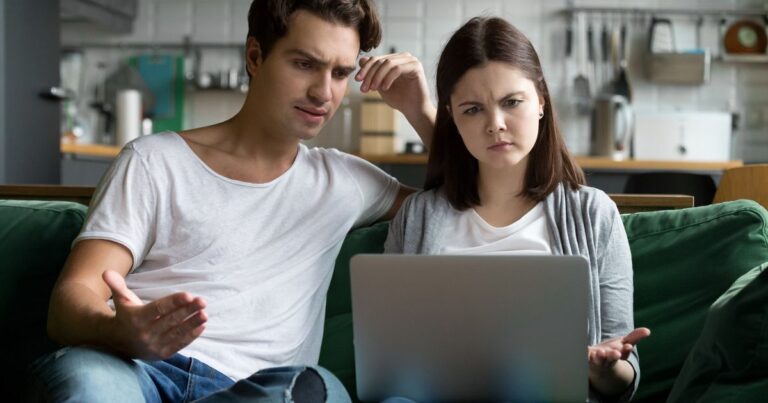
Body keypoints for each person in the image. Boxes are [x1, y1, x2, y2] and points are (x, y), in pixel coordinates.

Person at [29, 1, 436, 402]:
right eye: (304, 64)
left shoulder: (346, 181)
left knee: (317, 388)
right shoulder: (154, 160)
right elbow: (70, 301)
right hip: (133, 371)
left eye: (341, 72)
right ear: (256, 56)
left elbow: (480, 197)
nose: (323, 92)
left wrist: (420, 110)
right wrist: (118, 330)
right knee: (87, 382)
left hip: (257, 389)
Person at [383, 17, 650, 403]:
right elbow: (392, 356)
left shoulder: (594, 215)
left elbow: (623, 379)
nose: (495, 125)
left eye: (511, 102)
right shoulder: (417, 218)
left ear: (541, 100)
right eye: (473, 109)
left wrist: (604, 367)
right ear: (452, 117)